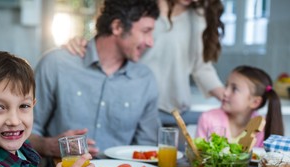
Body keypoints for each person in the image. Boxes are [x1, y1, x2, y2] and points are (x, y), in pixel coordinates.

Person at [30, 0, 161, 161]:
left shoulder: (145, 80)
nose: (150, 42)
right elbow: (24, 133)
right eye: (146, 31)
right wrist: (47, 146)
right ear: (118, 27)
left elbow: (146, 148)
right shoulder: (56, 64)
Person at [64, 0, 225, 125]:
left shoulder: (199, 18)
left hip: (175, 113)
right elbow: (112, 42)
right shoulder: (142, 10)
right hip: (131, 107)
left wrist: (229, 97)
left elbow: (201, 67)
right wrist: (79, 44)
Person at [196, 65, 284, 146]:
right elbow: (199, 156)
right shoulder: (208, 118)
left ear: (255, 102)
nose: (225, 92)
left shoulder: (263, 128)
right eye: (226, 85)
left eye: (234, 89)